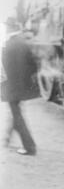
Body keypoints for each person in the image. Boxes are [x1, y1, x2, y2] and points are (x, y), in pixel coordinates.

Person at [1, 17, 38, 155]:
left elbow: (4, 67)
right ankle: (6, 139)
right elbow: (34, 64)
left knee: (17, 115)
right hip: (20, 86)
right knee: (15, 112)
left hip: (11, 86)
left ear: (10, 28)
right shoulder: (23, 42)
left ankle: (29, 147)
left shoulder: (8, 44)